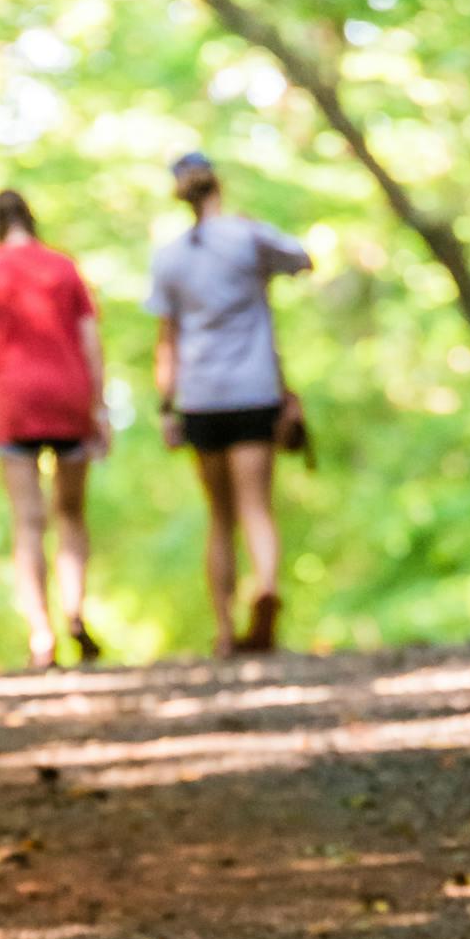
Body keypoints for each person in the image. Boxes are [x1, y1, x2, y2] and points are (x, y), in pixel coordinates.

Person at [146, 152, 312, 658]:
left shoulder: (170, 256)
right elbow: (302, 258)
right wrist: (254, 230)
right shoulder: (247, 238)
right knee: (256, 506)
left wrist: (166, 408)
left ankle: (224, 628)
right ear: (218, 184)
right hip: (254, 390)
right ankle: (265, 586)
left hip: (200, 398)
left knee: (220, 515)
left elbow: (167, 342)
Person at [0, 188, 110, 671]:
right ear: (31, 218)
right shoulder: (64, 268)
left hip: (16, 403)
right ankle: (75, 613)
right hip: (69, 398)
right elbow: (91, 342)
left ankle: (41, 635)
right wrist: (100, 408)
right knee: (72, 515)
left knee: (28, 522)